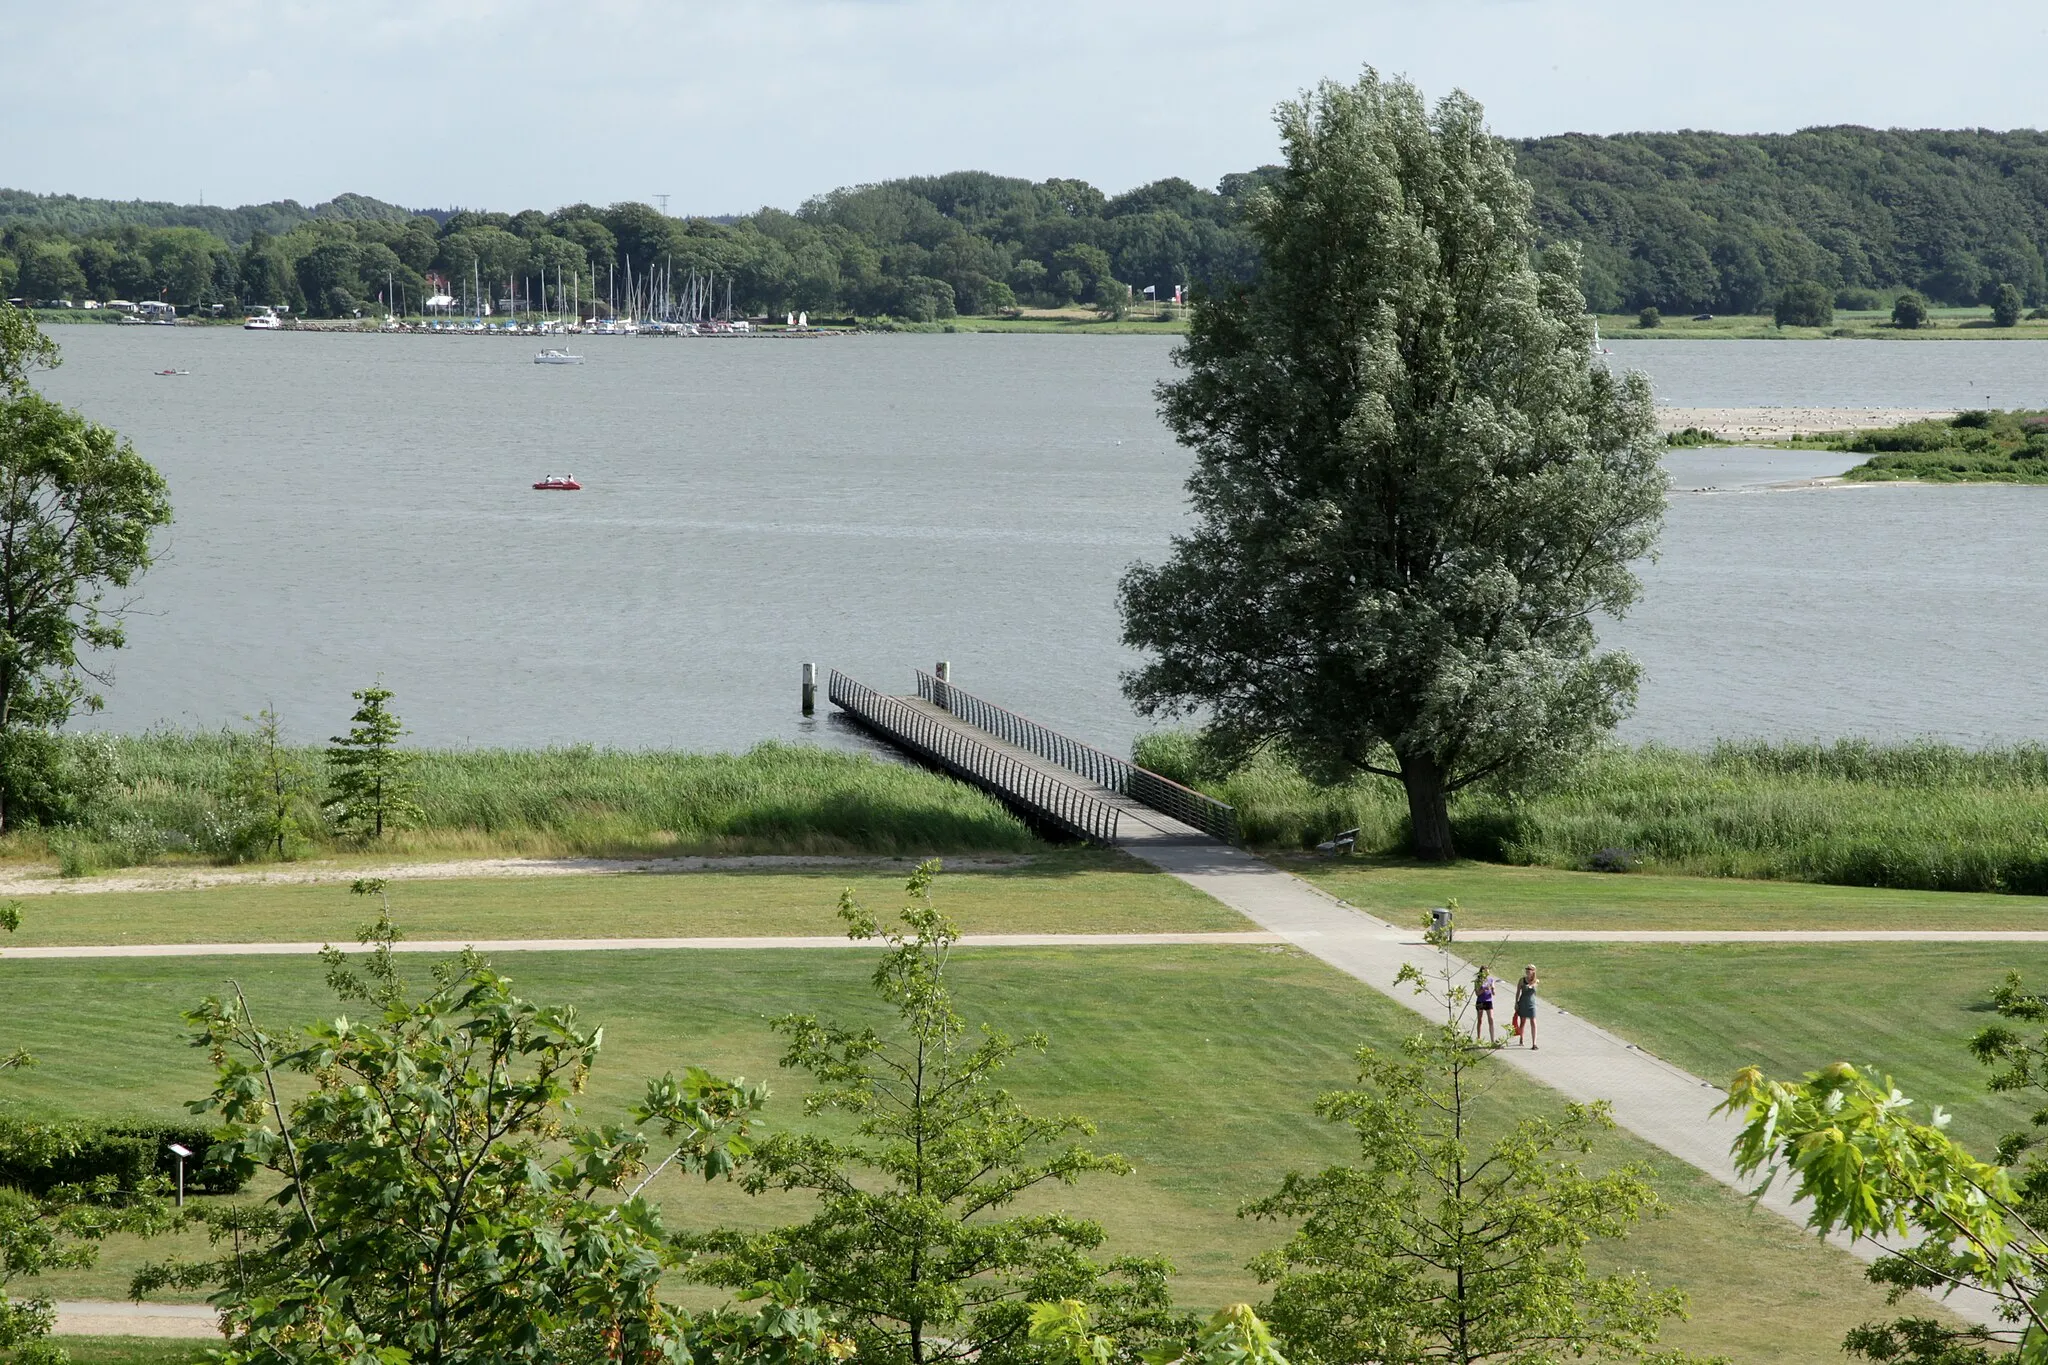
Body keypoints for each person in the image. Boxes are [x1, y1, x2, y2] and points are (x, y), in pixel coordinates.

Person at [1514, 965, 1539, 1049]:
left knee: (1533, 1021)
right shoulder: (1522, 980)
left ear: (1533, 971)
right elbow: (1518, 992)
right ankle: (1521, 1038)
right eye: (1527, 969)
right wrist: (1516, 1002)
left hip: (1531, 1004)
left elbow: (1534, 985)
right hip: (1523, 1002)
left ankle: (1534, 1043)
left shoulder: (1536, 981)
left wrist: (1531, 986)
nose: (1528, 971)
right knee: (1523, 1021)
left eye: (1530, 969)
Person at [1473, 967, 1499, 1043]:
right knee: (1480, 1020)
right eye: (1485, 972)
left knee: (1491, 1019)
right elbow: (1477, 993)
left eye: (1488, 972)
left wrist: (1493, 989)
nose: (1487, 974)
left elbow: (1494, 993)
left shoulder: (1491, 980)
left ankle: (1492, 1040)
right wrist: (1483, 989)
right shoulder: (1478, 981)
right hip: (1480, 1001)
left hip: (1488, 1001)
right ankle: (1478, 1038)